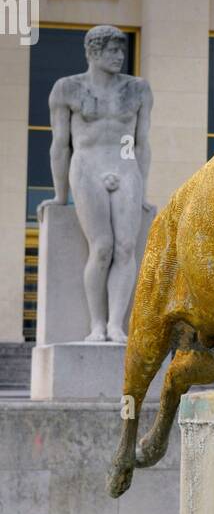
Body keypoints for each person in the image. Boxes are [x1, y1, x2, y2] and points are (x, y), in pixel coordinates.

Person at [39, 26, 152, 344]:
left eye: (122, 51)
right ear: (93, 52)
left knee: (126, 247)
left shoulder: (138, 89)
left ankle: (116, 324)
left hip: (125, 166)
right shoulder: (67, 88)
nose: (120, 57)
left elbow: (141, 144)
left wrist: (141, 187)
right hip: (87, 167)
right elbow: (60, 145)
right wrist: (61, 195)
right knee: (101, 247)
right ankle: (97, 324)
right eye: (112, 51)